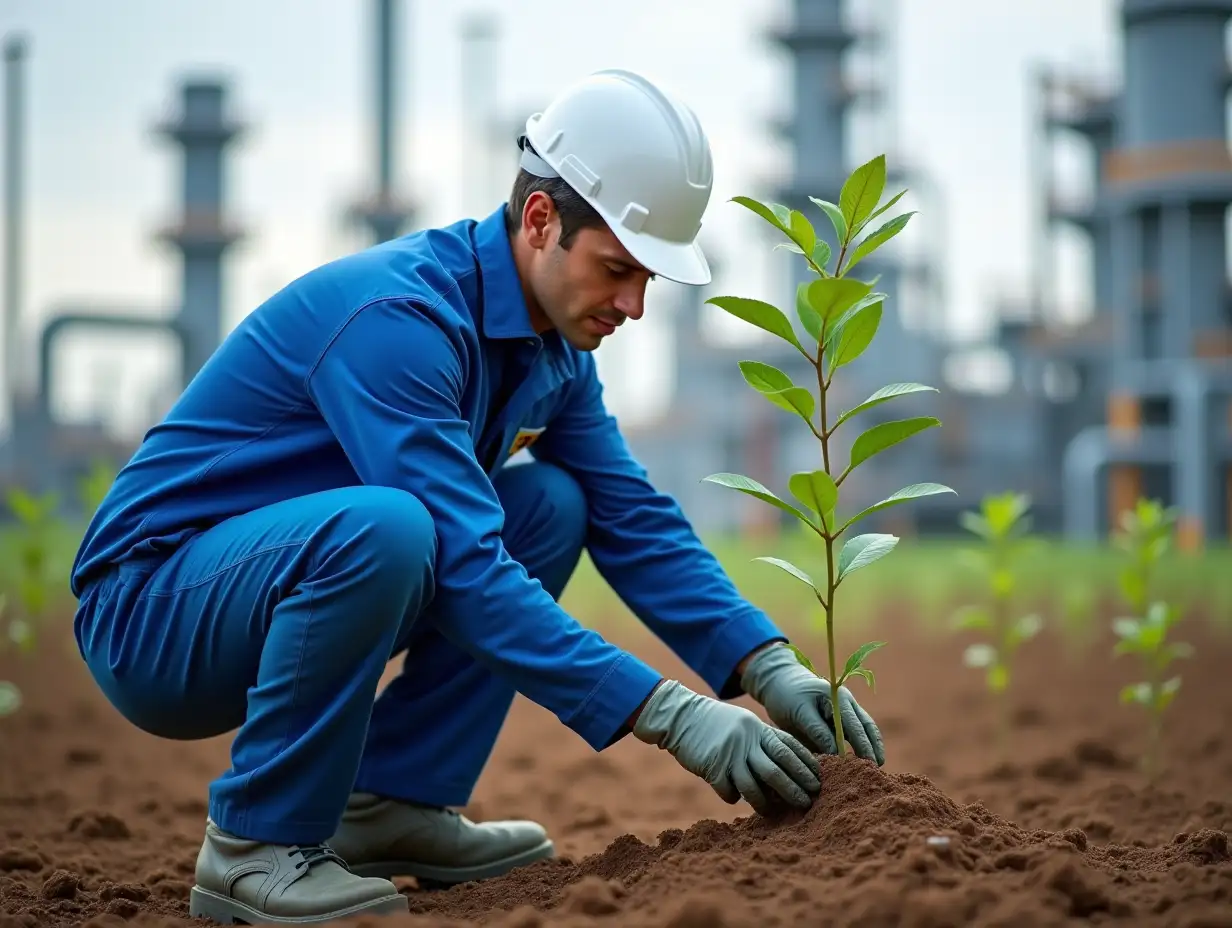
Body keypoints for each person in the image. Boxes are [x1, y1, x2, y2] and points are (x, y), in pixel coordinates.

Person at [69, 68, 884, 926]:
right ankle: (252, 849)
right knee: (390, 528)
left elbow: (631, 517)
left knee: (553, 505)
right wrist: (673, 715)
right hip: (153, 613)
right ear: (540, 222)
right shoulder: (399, 321)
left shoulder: (553, 353)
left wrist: (766, 662)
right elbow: (460, 562)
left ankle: (387, 801)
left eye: (650, 279)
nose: (636, 305)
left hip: (275, 584)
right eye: (618, 268)